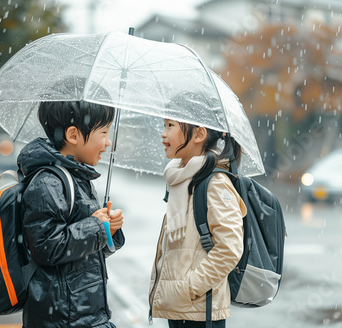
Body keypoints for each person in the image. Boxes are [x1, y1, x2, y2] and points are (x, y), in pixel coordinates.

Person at [17, 96, 125, 328]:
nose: (108, 143)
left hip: (85, 312)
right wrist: (96, 227)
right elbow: (47, 247)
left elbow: (82, 255)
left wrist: (108, 229)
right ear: (73, 135)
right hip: (64, 318)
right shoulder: (48, 182)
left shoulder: (78, 178)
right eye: (104, 133)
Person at [148, 98, 247, 328]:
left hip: (201, 313)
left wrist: (189, 288)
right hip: (181, 310)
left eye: (170, 126)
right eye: (164, 125)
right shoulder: (181, 180)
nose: (164, 134)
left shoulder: (215, 183)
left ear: (199, 134)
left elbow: (230, 248)